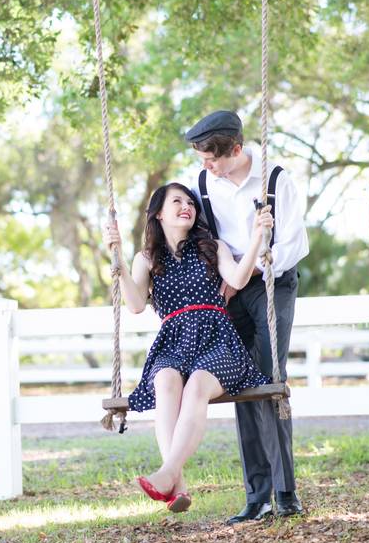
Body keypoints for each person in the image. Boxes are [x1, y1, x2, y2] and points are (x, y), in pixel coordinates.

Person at [103, 182, 274, 513]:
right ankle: (176, 482)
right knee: (166, 381)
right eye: (177, 201)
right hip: (173, 342)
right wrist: (118, 257)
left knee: (196, 385)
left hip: (217, 339)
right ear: (158, 213)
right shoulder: (146, 258)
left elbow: (238, 279)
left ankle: (169, 474)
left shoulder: (212, 247)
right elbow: (135, 304)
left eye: (191, 203)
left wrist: (257, 238)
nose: (187, 207)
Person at [185, 110, 309, 523]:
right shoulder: (202, 183)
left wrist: (250, 270)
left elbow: (294, 244)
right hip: (228, 288)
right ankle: (257, 496)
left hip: (272, 283)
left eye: (212, 159)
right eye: (203, 160)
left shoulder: (276, 179)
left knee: (270, 378)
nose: (207, 167)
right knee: (240, 380)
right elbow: (195, 235)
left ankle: (285, 492)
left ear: (236, 149)